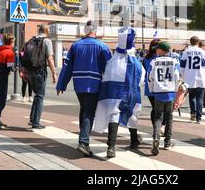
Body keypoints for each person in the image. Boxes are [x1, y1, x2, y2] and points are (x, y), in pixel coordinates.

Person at [56, 21, 111, 157]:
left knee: (84, 109)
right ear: (96, 31)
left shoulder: (75, 46)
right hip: (94, 84)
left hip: (78, 84)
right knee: (89, 112)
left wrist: (61, 84)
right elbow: (109, 68)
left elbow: (67, 66)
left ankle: (83, 139)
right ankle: (83, 141)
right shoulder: (102, 46)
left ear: (84, 30)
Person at [93, 27, 145, 158]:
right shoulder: (136, 63)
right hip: (130, 94)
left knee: (114, 116)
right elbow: (141, 79)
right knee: (132, 115)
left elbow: (106, 75)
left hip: (113, 93)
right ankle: (133, 140)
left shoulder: (113, 60)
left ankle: (111, 146)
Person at [20, 25, 58, 130]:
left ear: (39, 30)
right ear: (46, 31)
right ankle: (36, 122)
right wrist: (54, 73)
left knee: (37, 95)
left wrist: (22, 70)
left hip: (29, 71)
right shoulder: (47, 41)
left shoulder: (31, 40)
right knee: (40, 96)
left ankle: (33, 119)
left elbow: (22, 54)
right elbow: (50, 58)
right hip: (39, 71)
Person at [148, 41, 180, 155]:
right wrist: (175, 90)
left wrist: (152, 89)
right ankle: (167, 142)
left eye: (157, 49)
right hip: (170, 91)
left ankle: (156, 137)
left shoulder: (154, 61)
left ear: (161, 51)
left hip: (158, 91)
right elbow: (177, 77)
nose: (156, 51)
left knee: (158, 117)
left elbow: (150, 77)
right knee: (169, 117)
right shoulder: (174, 61)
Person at [180, 36, 205, 123]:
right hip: (200, 77)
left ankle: (193, 114)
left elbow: (182, 66)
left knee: (191, 97)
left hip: (189, 78)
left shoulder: (186, 52)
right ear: (198, 42)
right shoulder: (202, 52)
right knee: (199, 98)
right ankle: (199, 117)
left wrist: (182, 76)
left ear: (190, 42)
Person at [0, 33, 15, 129]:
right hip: (2, 78)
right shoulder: (10, 53)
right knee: (1, 100)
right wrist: (16, 68)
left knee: (0, 98)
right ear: (12, 42)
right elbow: (11, 67)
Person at [143, 39, 163, 131]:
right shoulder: (160, 58)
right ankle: (159, 127)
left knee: (155, 108)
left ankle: (156, 127)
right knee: (161, 108)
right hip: (160, 86)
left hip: (149, 86)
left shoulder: (146, 58)